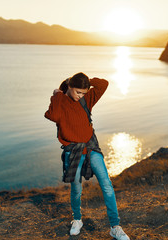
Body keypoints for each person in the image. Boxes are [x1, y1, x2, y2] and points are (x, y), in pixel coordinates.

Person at [44, 72, 130, 240]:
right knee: (76, 189)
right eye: (78, 92)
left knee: (106, 184)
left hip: (91, 149)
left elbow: (103, 84)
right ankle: (77, 220)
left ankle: (115, 226)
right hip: (73, 152)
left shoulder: (86, 99)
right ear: (69, 87)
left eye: (83, 92)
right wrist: (56, 95)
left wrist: (86, 82)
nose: (80, 96)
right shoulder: (60, 101)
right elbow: (52, 116)